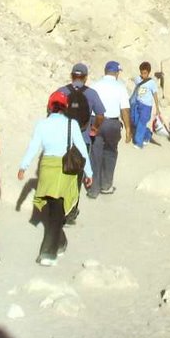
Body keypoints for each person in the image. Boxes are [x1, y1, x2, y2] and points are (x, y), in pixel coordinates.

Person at [17, 90, 93, 266]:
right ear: (65, 107)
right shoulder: (71, 124)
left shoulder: (41, 124)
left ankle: (60, 243)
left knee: (53, 207)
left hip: (47, 167)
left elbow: (34, 147)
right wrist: (89, 173)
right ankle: (48, 252)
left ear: (50, 107)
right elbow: (82, 149)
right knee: (58, 208)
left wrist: (23, 166)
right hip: (64, 169)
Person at [56, 63, 105, 223]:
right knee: (76, 177)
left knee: (61, 174)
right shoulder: (91, 93)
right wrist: (95, 128)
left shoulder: (61, 91)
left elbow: (50, 111)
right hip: (82, 141)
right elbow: (100, 114)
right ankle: (71, 211)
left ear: (71, 76)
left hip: (62, 140)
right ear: (85, 77)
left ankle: (58, 208)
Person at [88, 61, 131, 197]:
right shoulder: (120, 87)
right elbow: (124, 109)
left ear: (105, 71)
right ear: (117, 73)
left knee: (95, 154)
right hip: (112, 124)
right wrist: (128, 129)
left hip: (95, 121)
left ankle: (93, 189)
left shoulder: (95, 85)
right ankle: (106, 185)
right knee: (111, 153)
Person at [130, 62, 164, 149]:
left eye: (145, 73)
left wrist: (157, 108)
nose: (143, 75)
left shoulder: (151, 83)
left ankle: (138, 143)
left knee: (142, 123)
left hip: (146, 107)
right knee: (135, 122)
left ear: (148, 72)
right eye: (141, 73)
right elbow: (133, 79)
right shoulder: (138, 79)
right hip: (137, 104)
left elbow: (155, 95)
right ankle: (147, 134)